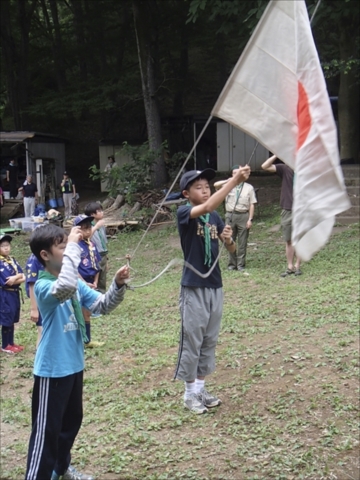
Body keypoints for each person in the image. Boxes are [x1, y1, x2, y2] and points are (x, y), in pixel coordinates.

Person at [24, 223, 130, 480]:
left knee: (69, 426)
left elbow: (102, 305)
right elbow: (64, 287)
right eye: (62, 247)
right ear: (45, 256)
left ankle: (60, 469)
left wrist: (117, 284)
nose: (71, 250)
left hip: (74, 366)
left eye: (69, 245)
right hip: (52, 370)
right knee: (46, 433)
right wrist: (73, 245)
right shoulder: (43, 286)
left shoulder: (76, 285)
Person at [174, 165, 250, 414]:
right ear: (186, 193)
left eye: (207, 187)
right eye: (199, 187)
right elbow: (206, 207)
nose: (205, 191)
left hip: (214, 285)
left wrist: (227, 239)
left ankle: (200, 389)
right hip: (194, 286)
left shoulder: (215, 218)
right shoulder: (185, 213)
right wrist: (235, 181)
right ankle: (188, 395)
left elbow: (231, 251)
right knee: (192, 340)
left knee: (209, 339)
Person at [261, 154, 302, 276]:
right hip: (287, 208)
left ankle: (297, 266)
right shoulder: (285, 168)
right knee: (288, 239)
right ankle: (289, 266)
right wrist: (276, 154)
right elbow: (265, 166)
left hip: (302, 209)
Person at [214, 165, 257, 271]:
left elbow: (252, 204)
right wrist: (228, 181)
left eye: (238, 172)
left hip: (243, 215)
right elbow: (216, 185)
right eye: (234, 173)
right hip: (230, 215)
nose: (236, 175)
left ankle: (241, 265)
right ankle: (232, 264)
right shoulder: (228, 186)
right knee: (229, 239)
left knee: (242, 242)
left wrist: (250, 219)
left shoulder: (248, 187)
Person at [73, 214, 103, 347]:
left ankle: (87, 340)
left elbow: (96, 265)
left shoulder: (92, 244)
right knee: (77, 313)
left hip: (91, 282)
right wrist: (84, 283)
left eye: (89, 227)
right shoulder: (75, 246)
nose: (88, 231)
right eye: (84, 228)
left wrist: (96, 281)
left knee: (87, 313)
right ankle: (78, 342)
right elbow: (74, 268)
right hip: (79, 283)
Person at [0, 234, 26, 354]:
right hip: (5, 294)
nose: (6, 248)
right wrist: (19, 278)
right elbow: (7, 282)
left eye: (7, 245)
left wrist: (16, 277)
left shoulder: (12, 260)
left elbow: (22, 275)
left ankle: (11, 342)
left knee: (13, 318)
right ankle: (5, 345)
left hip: (14, 293)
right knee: (7, 319)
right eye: (2, 246)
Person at [84, 202, 108, 294]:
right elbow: (86, 238)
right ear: (92, 214)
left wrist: (107, 260)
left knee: (103, 279)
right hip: (93, 256)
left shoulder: (101, 226)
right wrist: (96, 226)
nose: (102, 212)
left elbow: (104, 243)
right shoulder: (88, 226)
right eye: (99, 211)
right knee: (94, 279)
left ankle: (103, 298)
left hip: (103, 255)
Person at [25, 253, 45, 349]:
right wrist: (34, 309)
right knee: (42, 330)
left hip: (50, 299)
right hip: (40, 300)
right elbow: (31, 284)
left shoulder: (51, 255)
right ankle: (40, 359)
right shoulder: (34, 259)